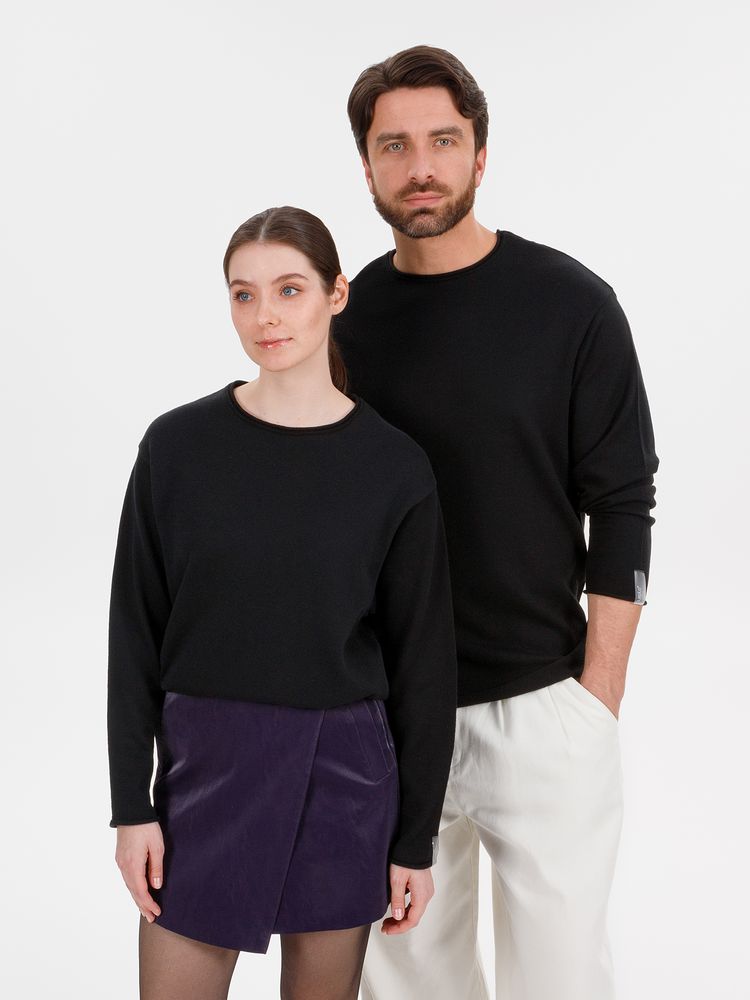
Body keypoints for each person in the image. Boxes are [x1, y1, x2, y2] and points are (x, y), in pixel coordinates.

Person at [332, 45, 659, 1000]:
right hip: (390, 714)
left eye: (443, 141)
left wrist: (597, 697)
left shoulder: (573, 306)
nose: (420, 166)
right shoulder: (345, 322)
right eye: (394, 146)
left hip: (543, 707)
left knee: (559, 981)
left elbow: (624, 504)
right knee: (408, 985)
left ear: (481, 154)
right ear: (366, 167)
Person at [107, 205, 458, 1000]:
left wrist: (415, 842)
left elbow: (424, 667)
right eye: (244, 294)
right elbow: (134, 635)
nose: (265, 315)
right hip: (206, 772)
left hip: (346, 775)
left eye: (289, 289)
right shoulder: (177, 447)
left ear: (337, 294)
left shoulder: (394, 467)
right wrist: (132, 808)